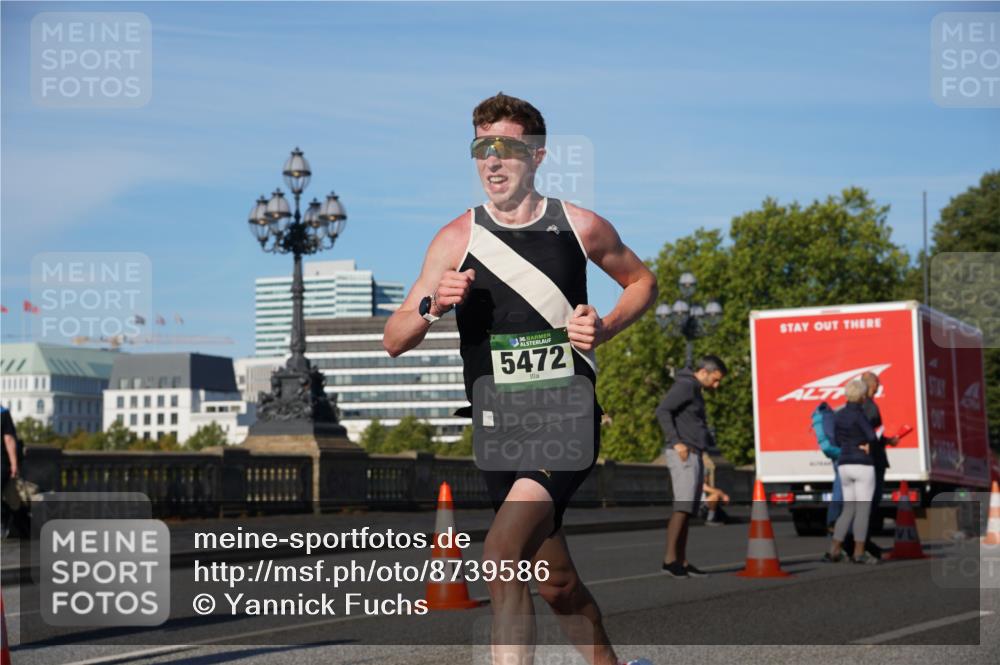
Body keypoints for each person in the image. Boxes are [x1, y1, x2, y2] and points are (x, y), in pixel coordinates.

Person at [383, 92, 657, 665]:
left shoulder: (579, 225)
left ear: (536, 156)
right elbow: (394, 339)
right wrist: (434, 306)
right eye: (483, 148)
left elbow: (642, 283)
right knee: (556, 584)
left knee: (502, 554)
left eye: (508, 148)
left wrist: (603, 328)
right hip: (498, 430)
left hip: (567, 414)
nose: (494, 160)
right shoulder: (456, 238)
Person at [655, 355, 727, 577]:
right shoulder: (686, 386)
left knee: (689, 510)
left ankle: (682, 561)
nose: (716, 385)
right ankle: (670, 560)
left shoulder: (694, 388)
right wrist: (676, 443)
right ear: (704, 371)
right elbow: (662, 410)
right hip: (683, 453)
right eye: (715, 379)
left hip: (693, 452)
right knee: (683, 507)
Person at [825, 379, 881, 564]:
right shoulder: (860, 414)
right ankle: (859, 552)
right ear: (863, 396)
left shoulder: (839, 414)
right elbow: (872, 437)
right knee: (862, 510)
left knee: (847, 509)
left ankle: (834, 549)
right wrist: (866, 445)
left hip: (844, 464)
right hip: (862, 464)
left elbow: (835, 440)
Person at [859, 371, 899, 559]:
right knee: (869, 503)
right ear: (871, 386)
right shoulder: (870, 408)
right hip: (873, 461)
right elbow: (871, 436)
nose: (879, 386)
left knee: (863, 504)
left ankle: (861, 541)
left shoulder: (862, 406)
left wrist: (888, 440)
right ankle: (863, 542)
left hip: (867, 459)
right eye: (877, 383)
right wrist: (885, 442)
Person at [1, 405, 23, 538]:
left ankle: (4, 522)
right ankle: (5, 521)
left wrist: (14, 463)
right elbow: (8, 439)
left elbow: (9, 439)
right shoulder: (3, 413)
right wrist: (14, 463)